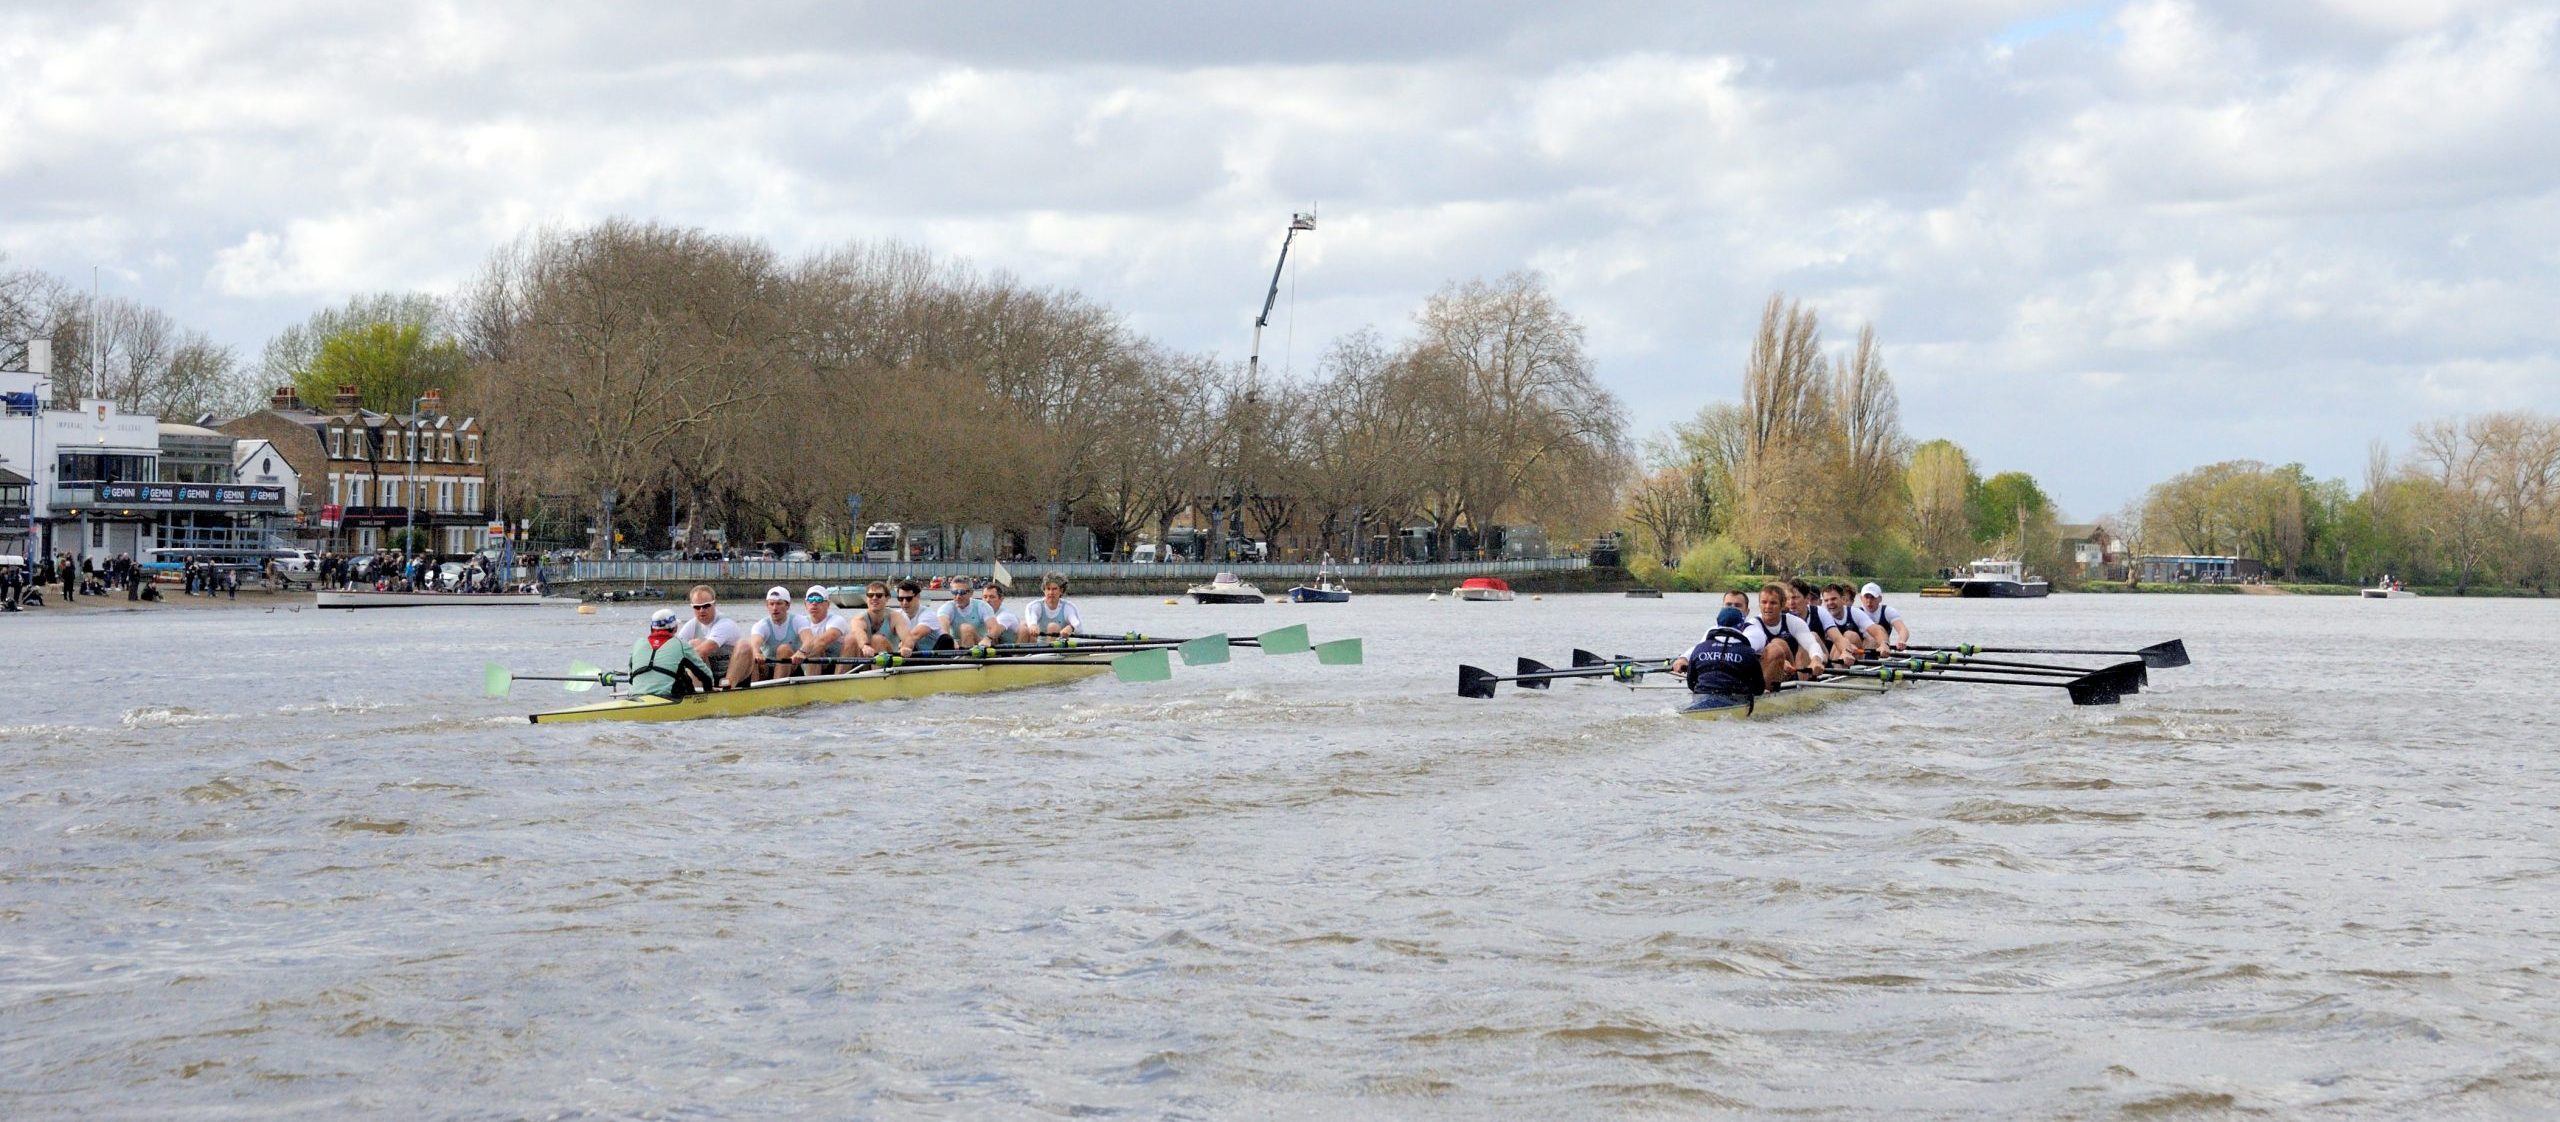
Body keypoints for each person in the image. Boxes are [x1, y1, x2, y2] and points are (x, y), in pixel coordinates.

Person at [1667, 606, 1766, 711]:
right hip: (1734, 702)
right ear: (1741, 626)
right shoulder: (1748, 652)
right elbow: (1759, 689)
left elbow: (1691, 683)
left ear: (1717, 624)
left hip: (1700, 699)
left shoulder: (1700, 648)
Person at [1742, 581, 1826, 689]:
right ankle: (1764, 691)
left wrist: (1816, 660)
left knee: (1804, 643)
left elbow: (1811, 644)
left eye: (1773, 603)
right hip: (1767, 673)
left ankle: (1803, 689)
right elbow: (1746, 653)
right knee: (1776, 645)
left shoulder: (1794, 622)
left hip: (1794, 671)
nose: (1767, 607)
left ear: (1782, 605)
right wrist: (1779, 661)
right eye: (1764, 602)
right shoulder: (1753, 625)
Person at [628, 607, 717, 699]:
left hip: (636, 697)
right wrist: (709, 692)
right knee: (683, 675)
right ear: (675, 628)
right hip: (668, 698)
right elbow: (705, 675)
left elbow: (630, 678)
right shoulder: (681, 645)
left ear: (651, 628)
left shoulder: (638, 644)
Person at [675, 584, 742, 687]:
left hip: (729, 676)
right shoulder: (691, 625)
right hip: (710, 674)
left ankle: (722, 690)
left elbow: (701, 651)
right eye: (697, 607)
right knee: (689, 646)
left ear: (714, 604)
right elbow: (675, 648)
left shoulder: (725, 623)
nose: (702, 610)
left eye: (706, 606)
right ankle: (698, 693)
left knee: (694, 646)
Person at [738, 586, 806, 685]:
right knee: (750, 652)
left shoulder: (798, 621)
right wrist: (756, 653)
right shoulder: (762, 625)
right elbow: (754, 644)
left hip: (792, 666)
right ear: (767, 606)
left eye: (779, 603)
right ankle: (752, 691)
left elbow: (809, 640)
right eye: (771, 604)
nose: (775, 608)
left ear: (787, 605)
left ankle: (776, 688)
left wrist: (802, 651)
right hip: (766, 668)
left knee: (784, 649)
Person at [788, 585, 854, 675]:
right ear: (805, 604)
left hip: (835, 666)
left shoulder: (837, 620)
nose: (814, 603)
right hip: (811, 663)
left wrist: (802, 651)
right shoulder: (800, 622)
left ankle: (838, 681)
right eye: (811, 599)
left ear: (827, 604)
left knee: (851, 639)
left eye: (819, 599)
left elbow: (822, 641)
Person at [847, 580, 913, 658]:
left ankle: (878, 669)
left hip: (889, 661)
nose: (874, 598)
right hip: (865, 660)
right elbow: (858, 632)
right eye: (870, 595)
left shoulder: (896, 617)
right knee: (850, 639)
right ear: (866, 598)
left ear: (887, 598)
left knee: (877, 639)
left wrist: (906, 647)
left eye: (879, 595)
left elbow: (907, 638)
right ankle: (841, 670)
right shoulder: (858, 619)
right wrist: (865, 646)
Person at [933, 576, 1001, 649]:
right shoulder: (947, 607)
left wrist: (988, 639)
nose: (958, 596)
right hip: (956, 645)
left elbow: (995, 628)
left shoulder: (982, 606)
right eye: (955, 592)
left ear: (971, 593)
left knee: (966, 628)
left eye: (962, 592)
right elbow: (942, 627)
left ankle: (965, 659)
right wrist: (951, 641)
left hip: (980, 645)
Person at [1852, 581, 1909, 655]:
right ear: (1861, 598)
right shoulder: (1856, 612)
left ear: (1880, 599)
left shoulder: (1888, 611)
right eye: (1866, 597)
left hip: (1882, 651)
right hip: (1860, 651)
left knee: (1874, 637)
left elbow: (1902, 629)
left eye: (1873, 597)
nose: (1869, 601)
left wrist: (1901, 640)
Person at [1025, 573, 1082, 641]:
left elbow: (1078, 626)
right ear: (1044, 590)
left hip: (1059, 646)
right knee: (1023, 627)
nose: (1051, 592)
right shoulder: (1035, 606)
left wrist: (1071, 627)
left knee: (1053, 627)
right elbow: (1032, 618)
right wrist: (1033, 625)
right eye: (1048, 589)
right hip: (1037, 646)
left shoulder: (1068, 608)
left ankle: (1051, 651)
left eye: (1054, 589)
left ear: (1061, 591)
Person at [896, 579, 946, 653]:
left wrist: (901, 648)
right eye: (900, 599)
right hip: (914, 654)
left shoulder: (928, 614)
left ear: (918, 596)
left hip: (934, 656)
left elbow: (914, 636)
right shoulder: (897, 615)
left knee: (947, 639)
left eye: (908, 599)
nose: (904, 602)